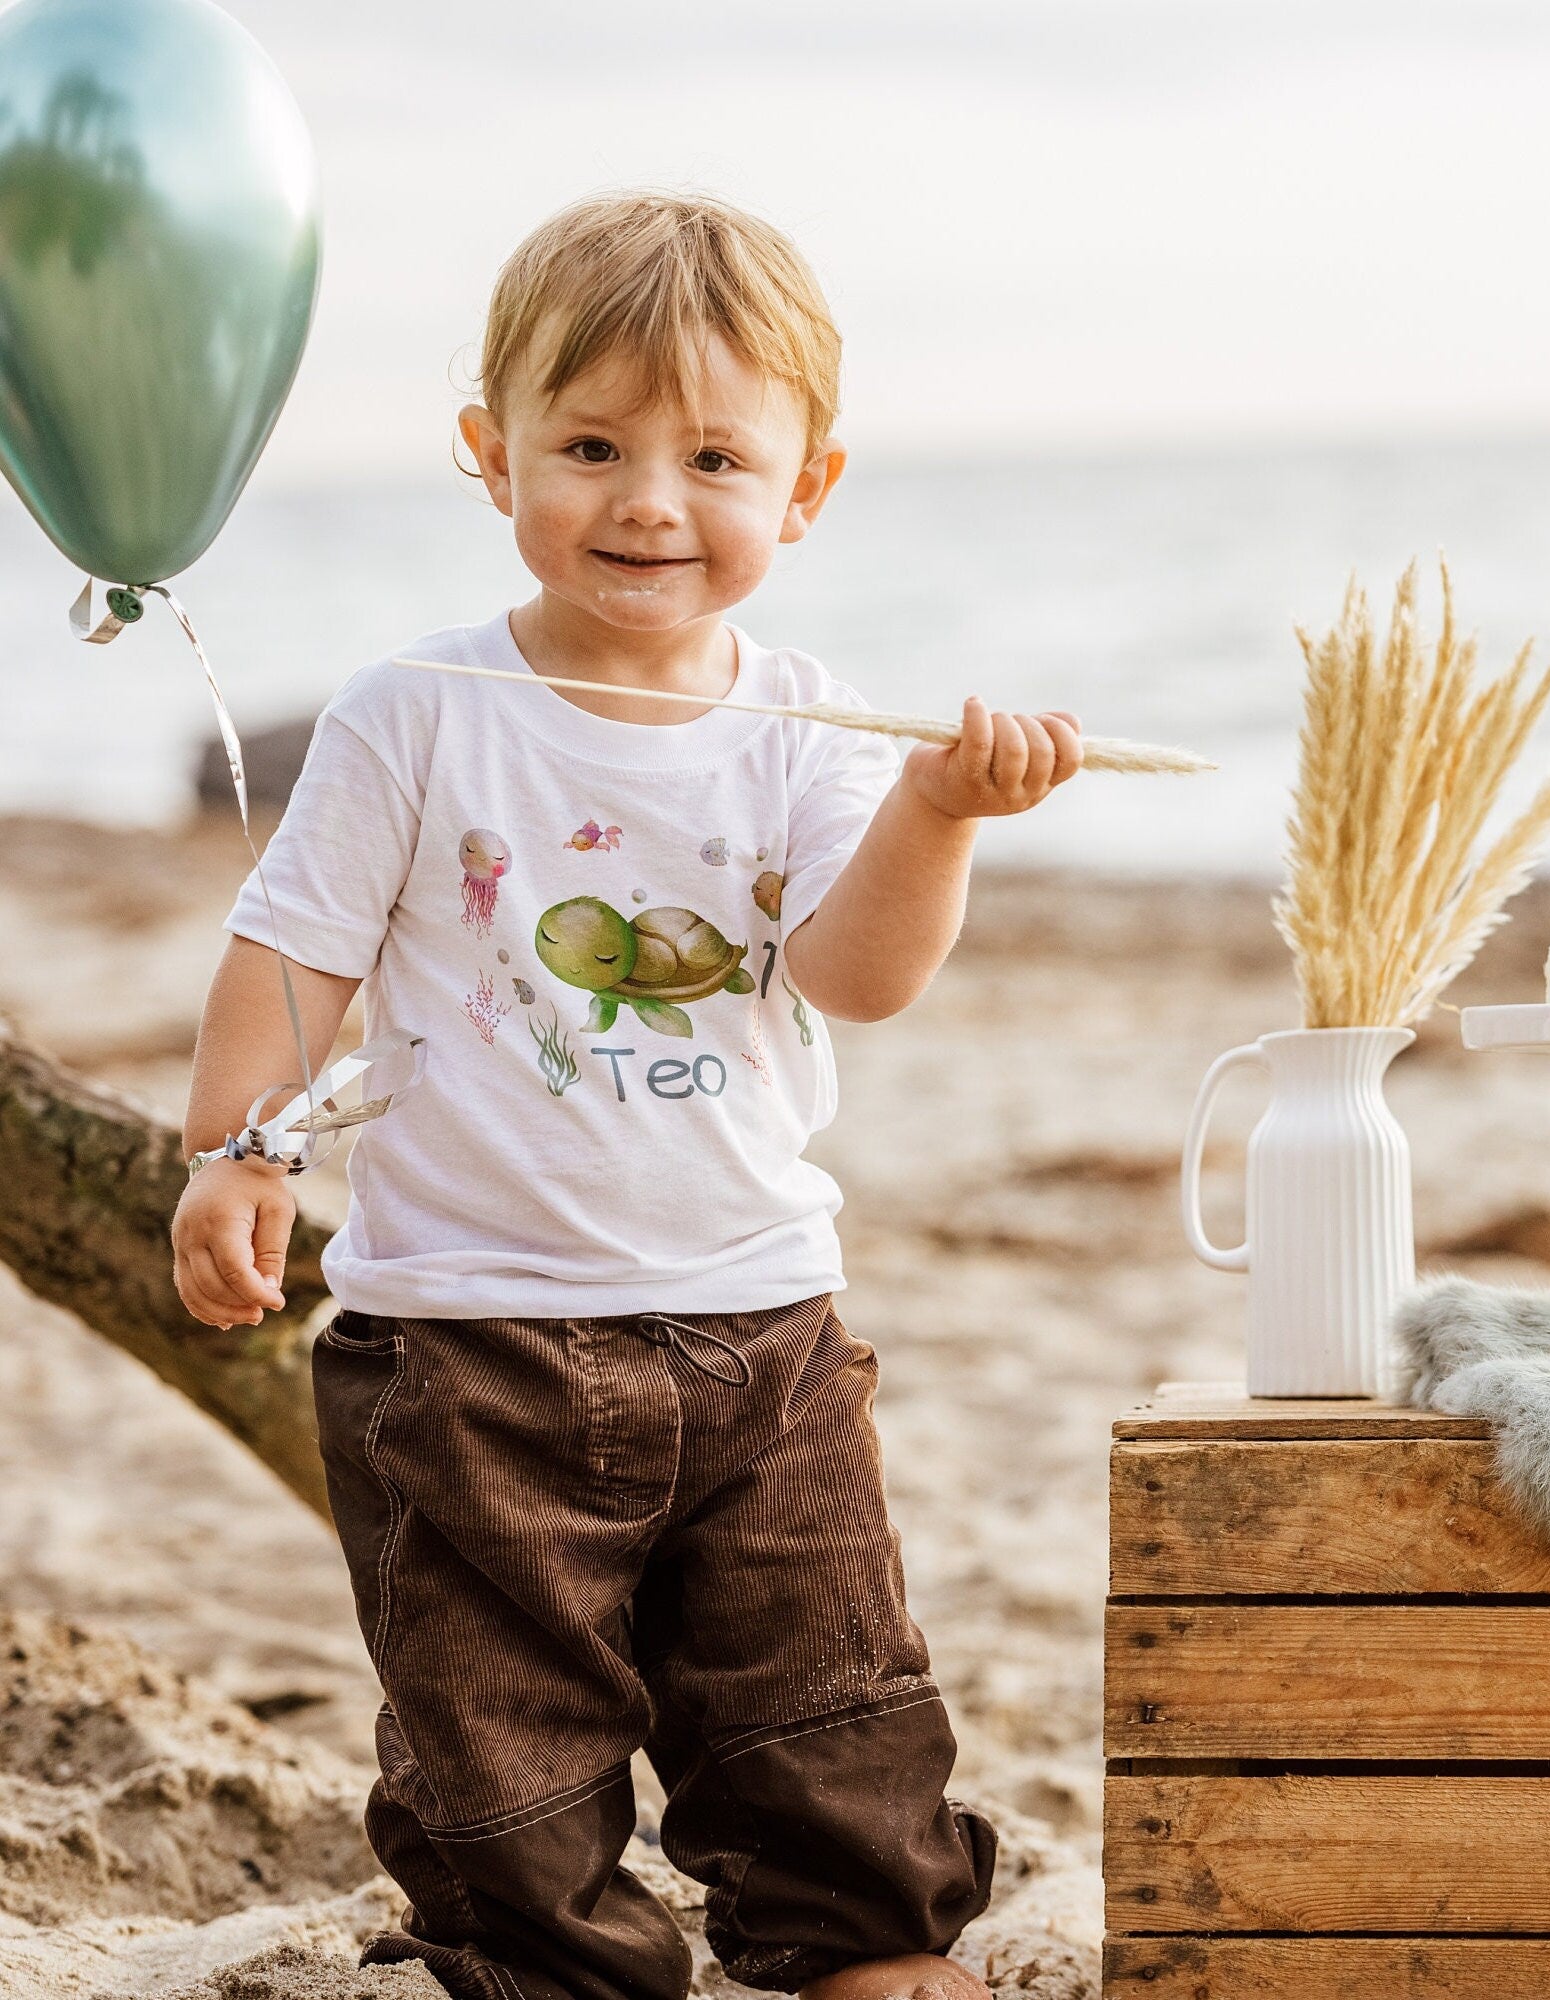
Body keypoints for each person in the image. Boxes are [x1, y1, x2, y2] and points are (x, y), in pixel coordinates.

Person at [171, 189, 1083, 2000]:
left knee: (823, 1692)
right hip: (471, 1348)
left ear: (805, 488)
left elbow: (858, 975)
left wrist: (939, 817)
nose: (649, 501)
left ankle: (857, 1947)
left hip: (762, 1330)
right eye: (589, 446)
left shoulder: (816, 727)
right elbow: (293, 950)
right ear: (486, 451)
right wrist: (232, 1150)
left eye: (715, 459)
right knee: (499, 1741)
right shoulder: (418, 711)